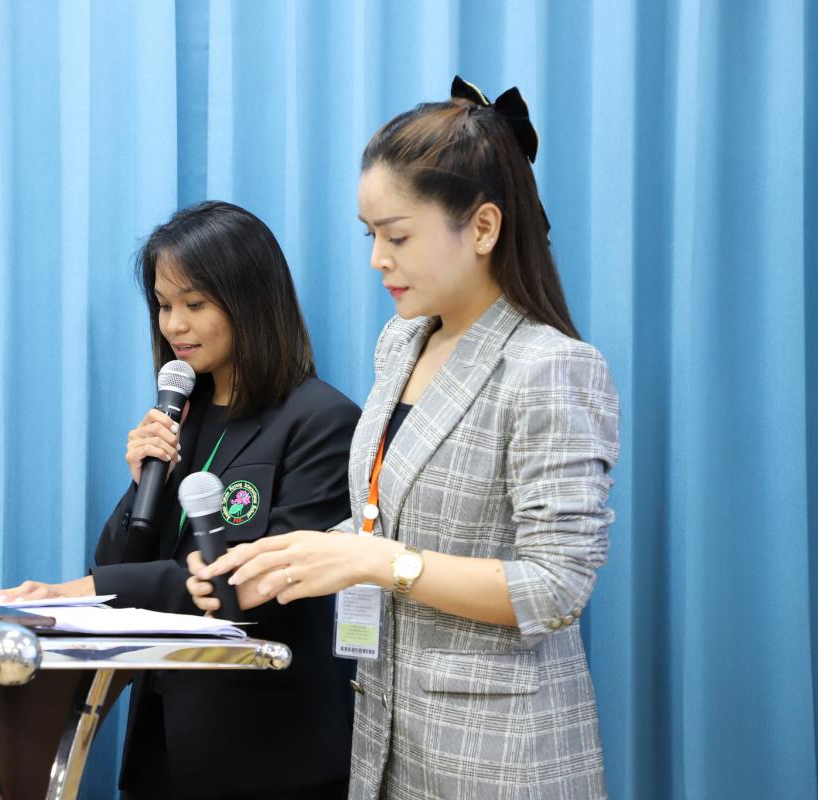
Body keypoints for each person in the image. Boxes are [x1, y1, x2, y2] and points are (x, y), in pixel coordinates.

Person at [190, 78, 620, 799]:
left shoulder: (551, 367)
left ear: (482, 228)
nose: (377, 260)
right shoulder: (401, 343)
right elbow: (384, 520)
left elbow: (555, 587)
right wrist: (280, 561)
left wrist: (378, 561)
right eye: (371, 237)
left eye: (397, 236)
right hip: (387, 741)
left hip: (501, 759)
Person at [0, 201, 360, 799]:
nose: (174, 326)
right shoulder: (182, 417)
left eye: (195, 304)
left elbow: (252, 581)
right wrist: (143, 480)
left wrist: (80, 590)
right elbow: (119, 561)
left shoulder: (323, 421)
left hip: (269, 755)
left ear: (250, 301)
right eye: (164, 306)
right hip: (162, 742)